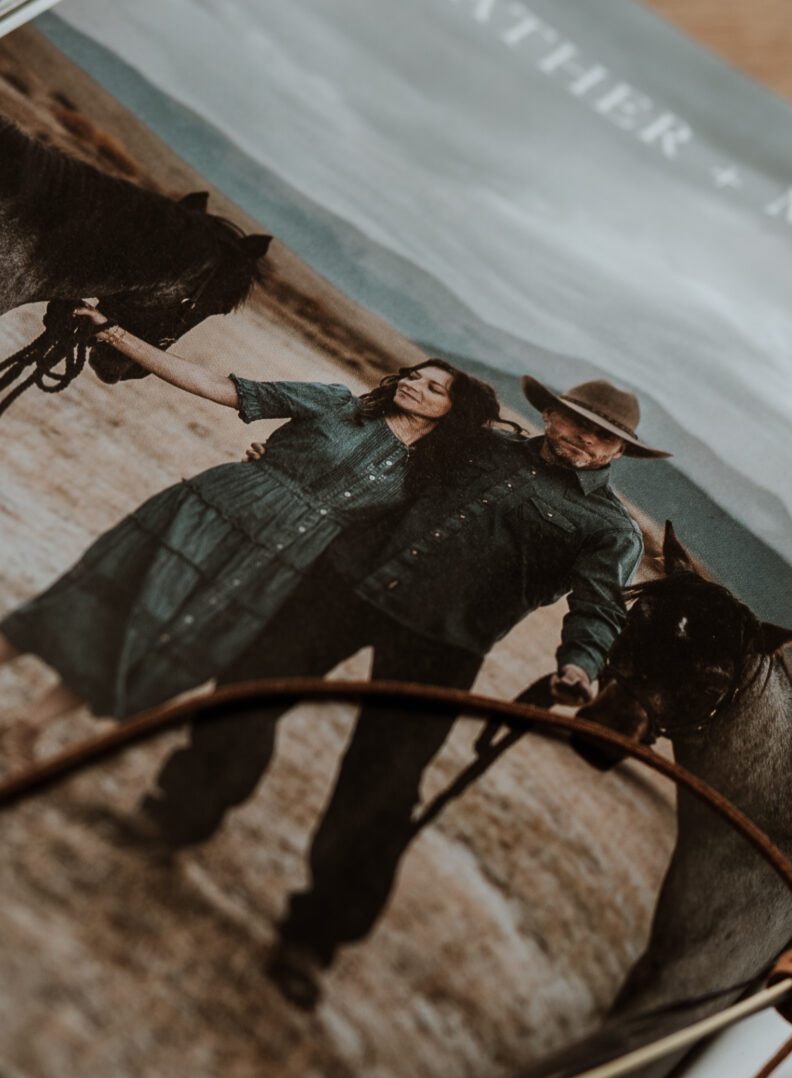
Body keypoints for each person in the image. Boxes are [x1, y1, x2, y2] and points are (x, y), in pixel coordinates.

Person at [122, 370, 659, 1007]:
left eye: (603, 436)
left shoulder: (610, 529)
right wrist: (290, 466)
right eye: (576, 421)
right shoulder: (475, 442)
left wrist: (581, 664)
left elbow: (599, 606)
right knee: (249, 686)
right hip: (348, 583)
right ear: (551, 415)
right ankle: (182, 811)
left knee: (383, 784)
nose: (584, 438)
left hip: (445, 645)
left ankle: (313, 939)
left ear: (619, 452)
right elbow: (377, 454)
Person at [0, 309, 499, 766]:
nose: (413, 384)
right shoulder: (337, 404)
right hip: (214, 514)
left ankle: (26, 726)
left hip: (272, 566)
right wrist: (115, 334)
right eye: (414, 375)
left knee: (154, 636)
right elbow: (221, 387)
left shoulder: (425, 477)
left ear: (454, 412)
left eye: (433, 388)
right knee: (97, 598)